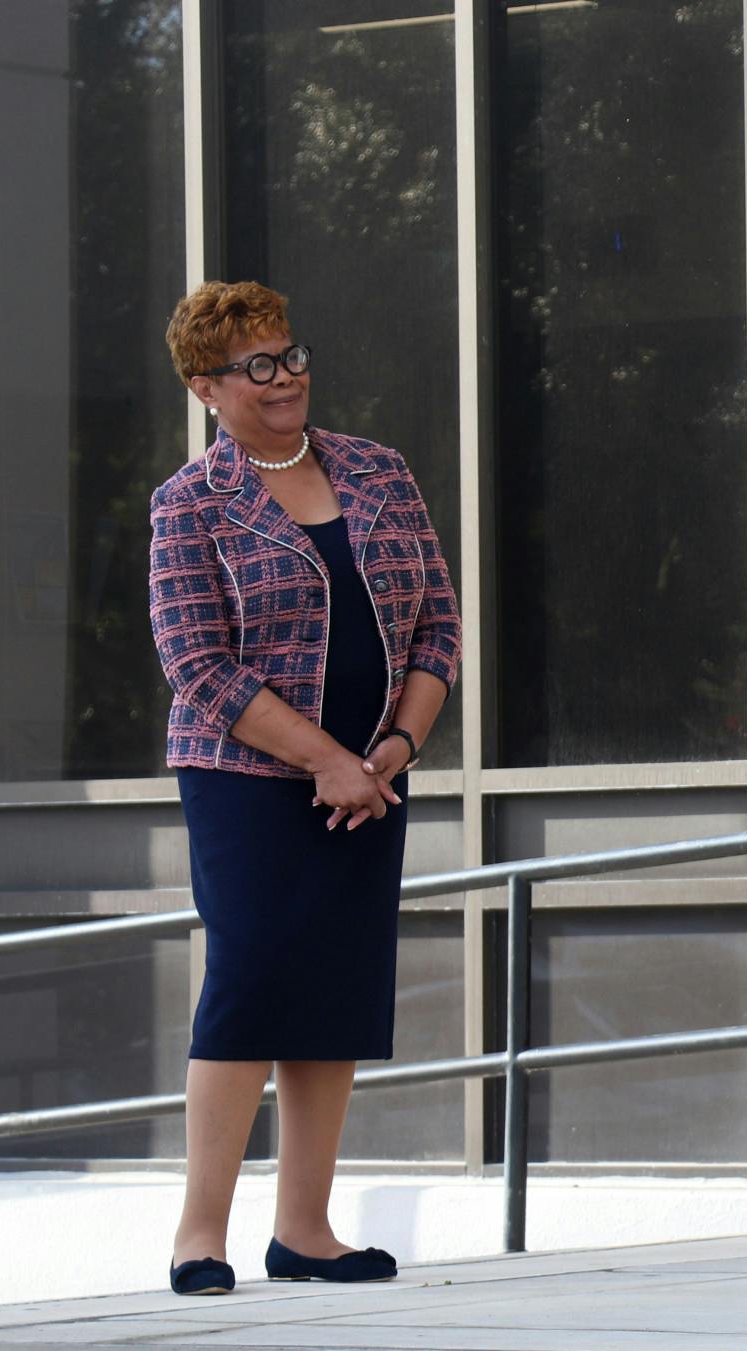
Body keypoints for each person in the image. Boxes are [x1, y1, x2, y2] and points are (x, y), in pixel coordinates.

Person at [148, 281, 460, 1295]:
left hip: (372, 778)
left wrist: (393, 749)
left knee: (335, 983)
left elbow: (436, 628)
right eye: (256, 366)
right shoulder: (188, 505)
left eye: (290, 355)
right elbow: (197, 663)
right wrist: (325, 758)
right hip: (244, 776)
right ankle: (201, 1233)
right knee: (249, 982)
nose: (284, 379)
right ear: (207, 387)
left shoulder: (378, 470)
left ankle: (307, 1231)